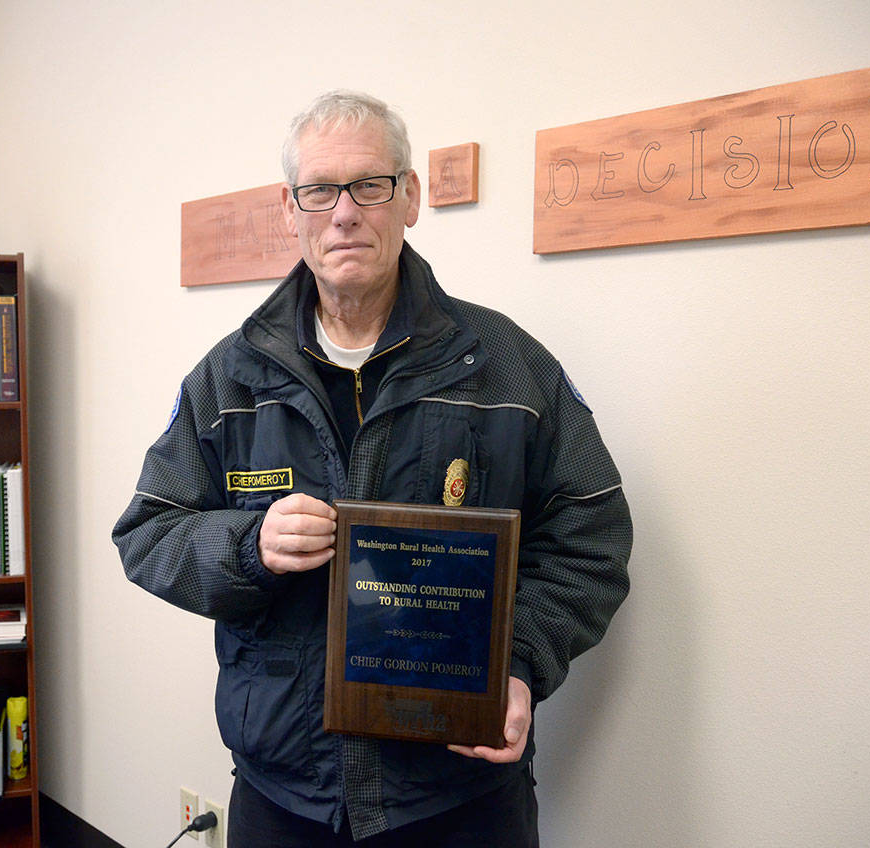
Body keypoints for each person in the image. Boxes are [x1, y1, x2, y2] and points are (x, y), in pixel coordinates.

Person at [113, 90, 631, 846]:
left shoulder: (510, 368)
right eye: (320, 191)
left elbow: (591, 538)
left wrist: (518, 662)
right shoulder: (227, 381)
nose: (345, 214)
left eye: (369, 185)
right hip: (284, 795)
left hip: (458, 795)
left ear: (410, 197)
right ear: (290, 210)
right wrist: (249, 547)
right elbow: (148, 534)